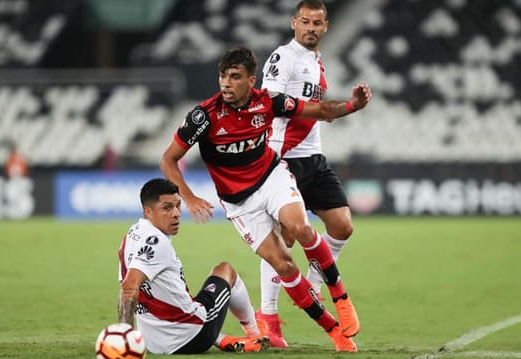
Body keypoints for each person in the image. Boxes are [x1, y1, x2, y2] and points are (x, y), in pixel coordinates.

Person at [159, 46, 371, 351]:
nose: (225, 84)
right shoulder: (203, 116)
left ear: (251, 80)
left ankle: (339, 295)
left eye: (234, 77)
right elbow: (168, 159)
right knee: (284, 266)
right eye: (222, 76)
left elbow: (321, 111)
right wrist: (189, 197)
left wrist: (353, 105)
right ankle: (334, 330)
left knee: (300, 228)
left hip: (271, 178)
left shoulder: (268, 102)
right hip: (239, 204)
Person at [257, 0, 358, 347]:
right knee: (281, 240)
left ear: (326, 26)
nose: (311, 28)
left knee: (342, 224)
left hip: (313, 157)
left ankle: (313, 283)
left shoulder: (316, 62)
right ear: (293, 23)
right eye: (305, 22)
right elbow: (270, 101)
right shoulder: (283, 57)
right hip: (283, 158)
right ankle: (268, 318)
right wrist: (322, 109)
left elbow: (314, 110)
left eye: (317, 22)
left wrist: (340, 108)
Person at [117, 178, 269, 354]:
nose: (176, 214)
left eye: (178, 205)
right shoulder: (156, 242)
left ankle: (223, 339)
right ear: (148, 212)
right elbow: (129, 287)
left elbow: (126, 285)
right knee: (225, 270)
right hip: (192, 337)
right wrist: (125, 344)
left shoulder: (131, 234)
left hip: (153, 343)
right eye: (167, 208)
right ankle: (255, 332)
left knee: (177, 298)